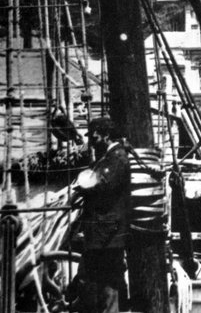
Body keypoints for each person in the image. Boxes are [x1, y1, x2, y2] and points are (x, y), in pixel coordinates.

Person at [74, 117, 131, 313]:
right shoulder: (107, 158)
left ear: (106, 135)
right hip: (101, 234)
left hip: (108, 235)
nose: (91, 142)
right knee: (96, 282)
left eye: (95, 137)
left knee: (108, 286)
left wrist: (82, 185)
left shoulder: (117, 158)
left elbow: (103, 184)